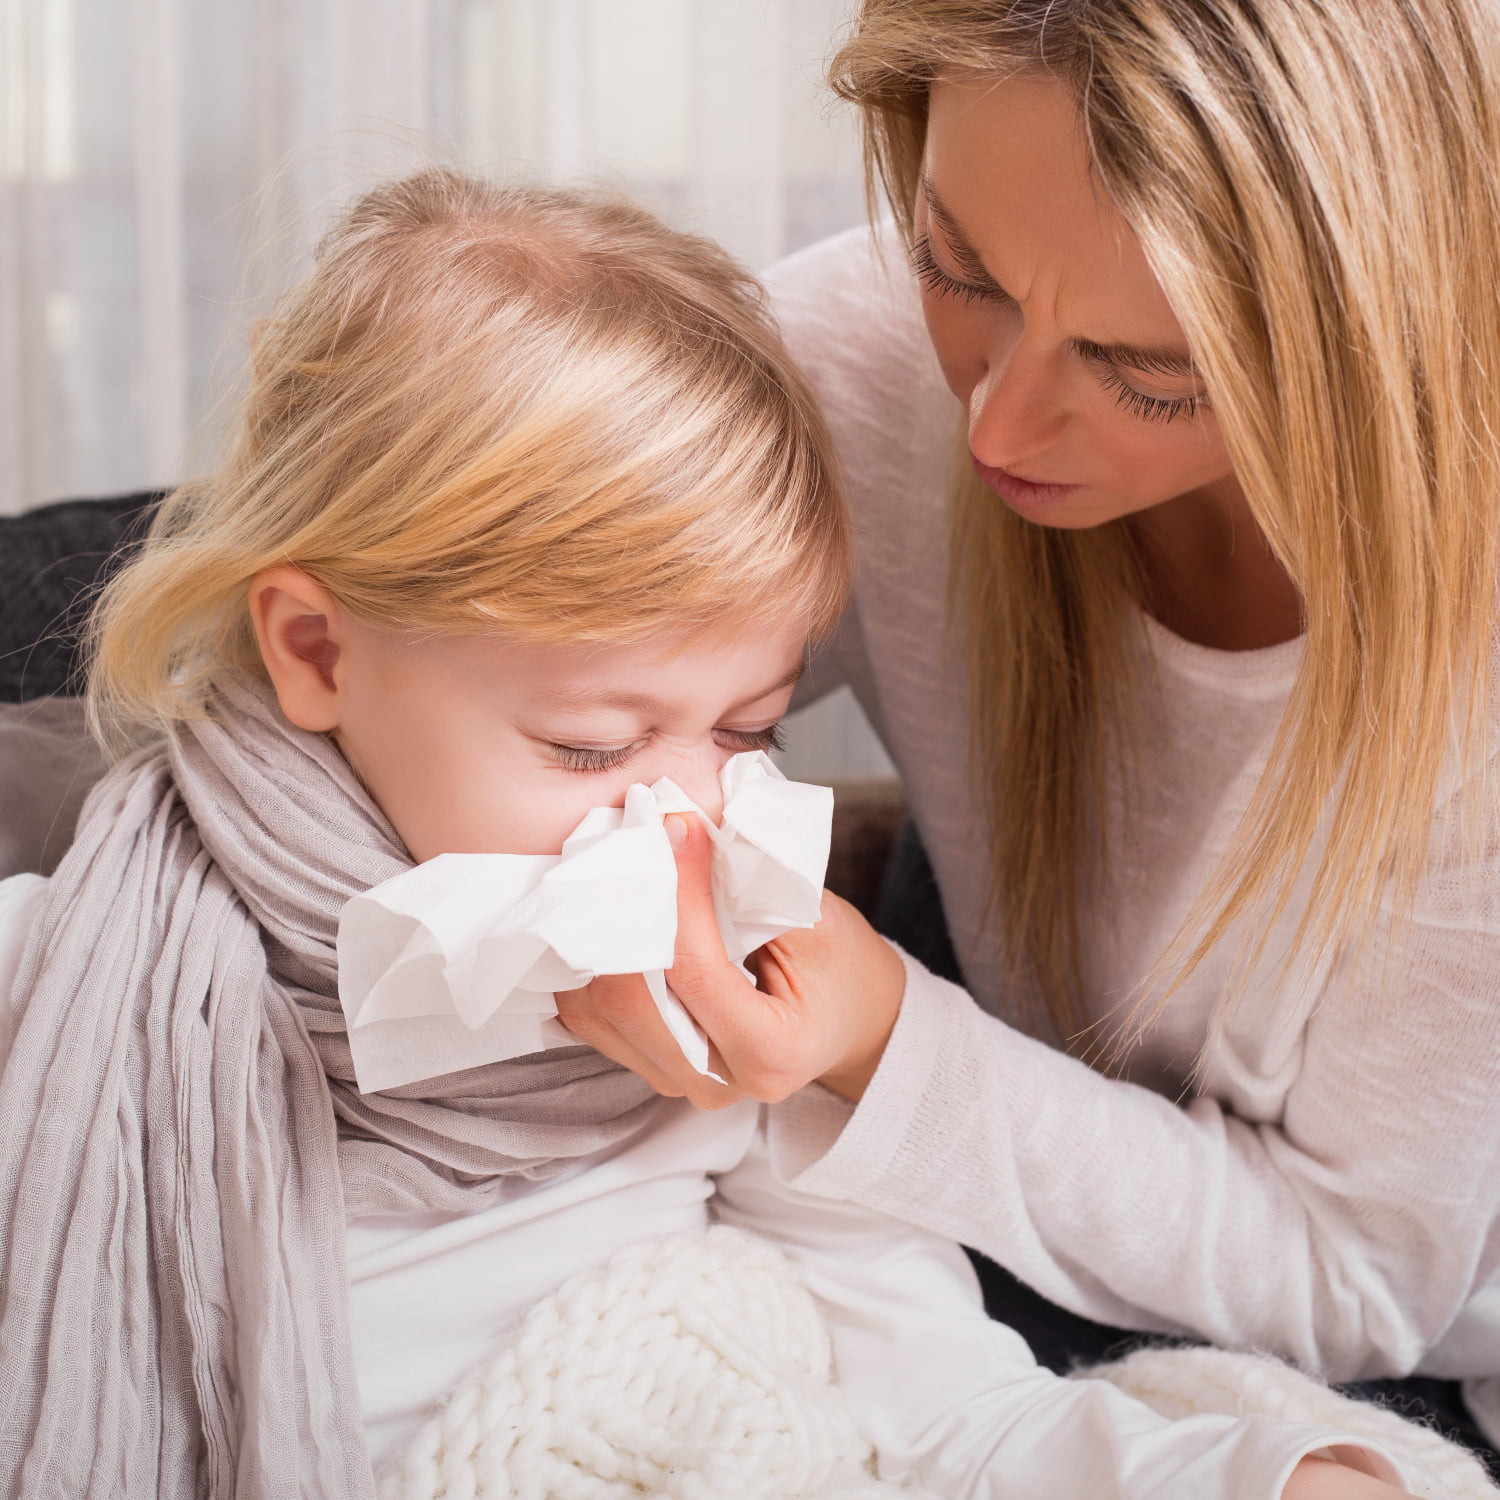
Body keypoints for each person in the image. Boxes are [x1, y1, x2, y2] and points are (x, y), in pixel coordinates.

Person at [0, 169, 1430, 1499]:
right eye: (593, 747)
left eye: (750, 731)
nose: (679, 813)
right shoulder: (62, 985)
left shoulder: (743, 1032)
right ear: (316, 651)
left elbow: (942, 1416)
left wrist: (1251, 1478)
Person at [552, 0, 1500, 1469]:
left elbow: (1357, 1279)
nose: (996, 427)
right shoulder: (854, 364)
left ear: (1370, 331)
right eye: (958, 269)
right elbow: (482, 649)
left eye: (1147, 372)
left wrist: (880, 1037)